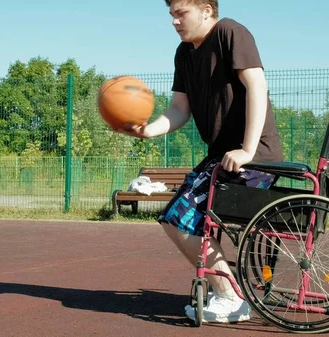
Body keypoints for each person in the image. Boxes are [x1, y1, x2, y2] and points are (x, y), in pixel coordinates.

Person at [117, 0, 284, 323]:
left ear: (206, 10)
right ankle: (223, 289)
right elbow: (180, 108)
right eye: (171, 15)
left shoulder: (230, 33)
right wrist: (148, 130)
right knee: (179, 217)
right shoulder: (184, 53)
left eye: (181, 13)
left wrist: (248, 150)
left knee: (178, 217)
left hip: (254, 156)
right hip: (222, 158)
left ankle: (230, 296)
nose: (174, 22)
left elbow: (257, 86)